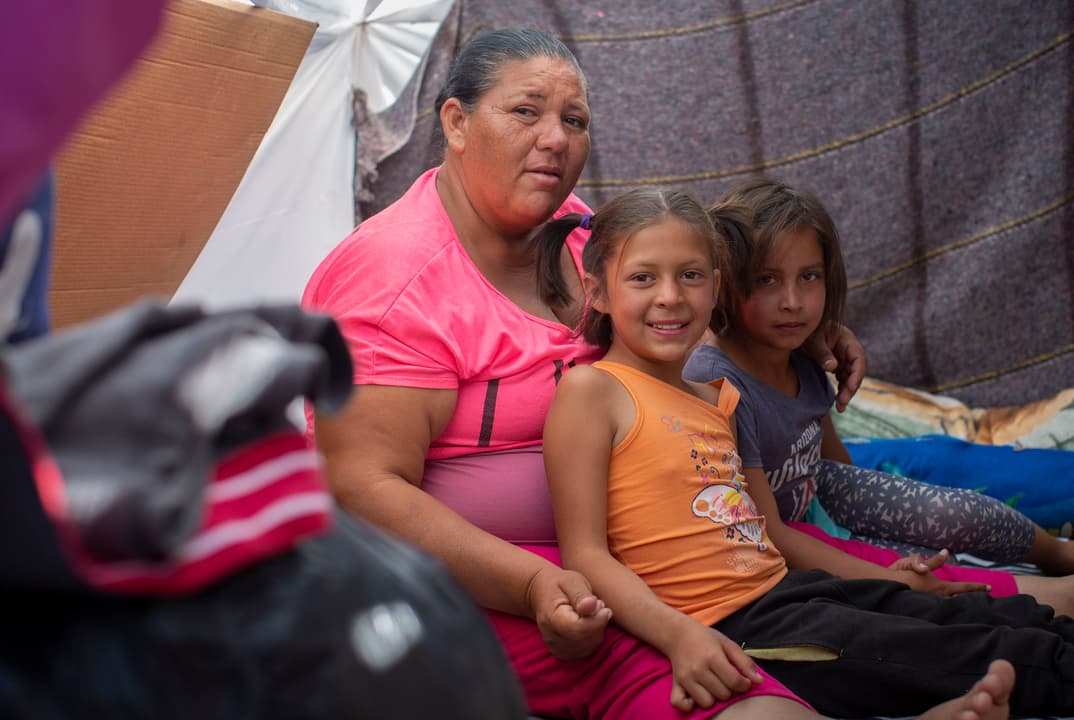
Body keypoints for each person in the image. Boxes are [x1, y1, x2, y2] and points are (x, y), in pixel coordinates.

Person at [303, 26, 881, 720]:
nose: (556, 138)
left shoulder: (577, 234)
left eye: (574, 120)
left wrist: (807, 334)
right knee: (727, 686)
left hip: (655, 540)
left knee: (859, 601)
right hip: (485, 588)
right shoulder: (395, 278)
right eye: (527, 111)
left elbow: (683, 283)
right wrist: (535, 584)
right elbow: (362, 487)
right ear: (455, 122)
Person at [540, 185, 1074, 719]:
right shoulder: (593, 393)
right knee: (998, 661)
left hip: (790, 595)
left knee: (995, 623)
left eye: (689, 276)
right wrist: (682, 636)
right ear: (597, 287)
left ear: (713, 290)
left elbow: (767, 534)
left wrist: (879, 576)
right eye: (644, 278)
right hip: (743, 629)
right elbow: (587, 553)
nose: (670, 296)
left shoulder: (716, 397)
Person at [683, 176, 1074, 579]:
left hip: (816, 503)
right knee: (927, 577)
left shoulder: (805, 350)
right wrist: (884, 569)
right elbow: (771, 533)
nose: (793, 301)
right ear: (725, 283)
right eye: (767, 280)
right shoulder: (717, 381)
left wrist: (891, 516)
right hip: (772, 545)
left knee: (954, 513)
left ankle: (1065, 555)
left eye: (809, 277)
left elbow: (836, 468)